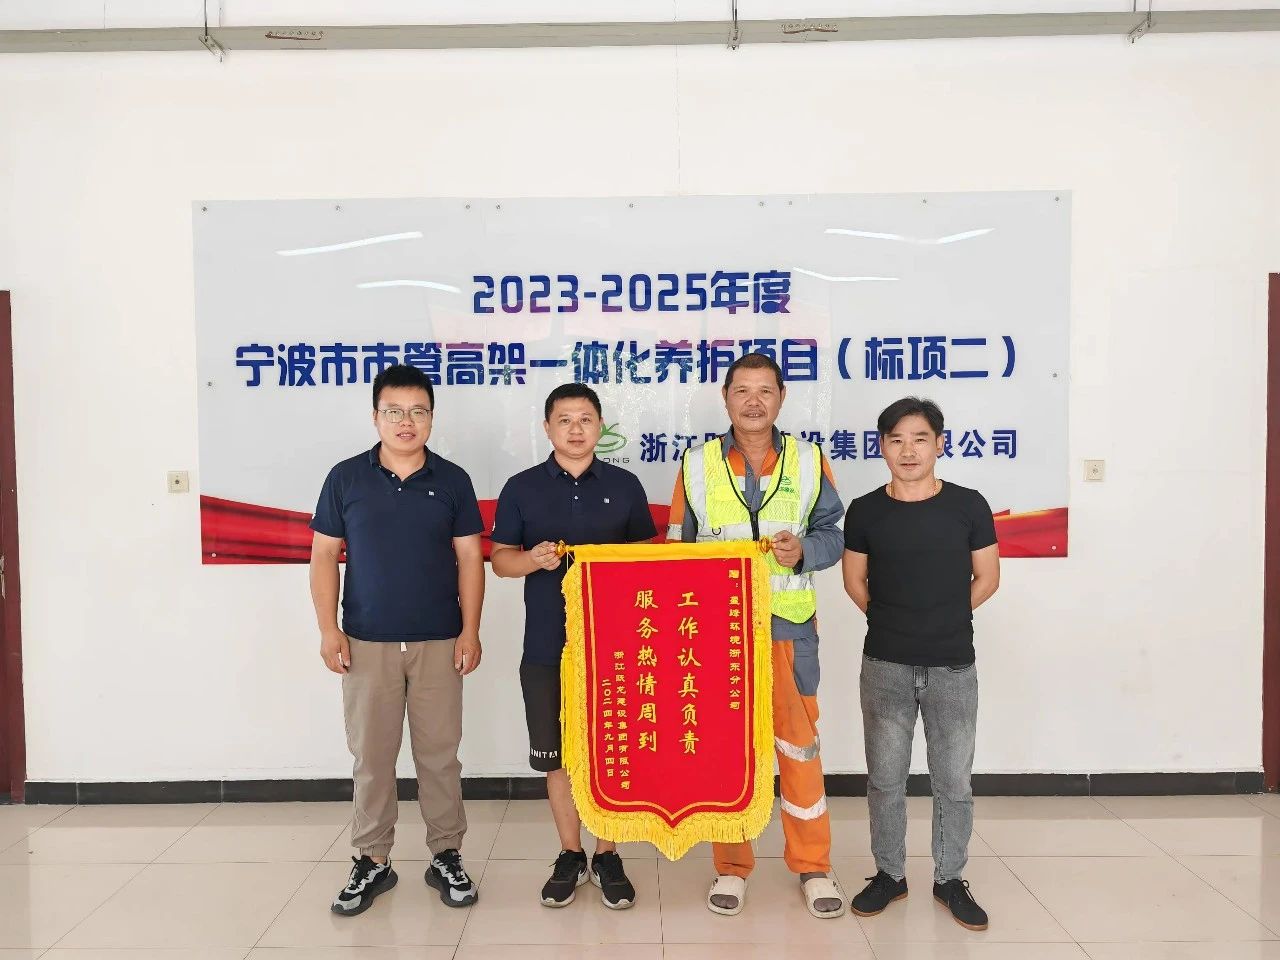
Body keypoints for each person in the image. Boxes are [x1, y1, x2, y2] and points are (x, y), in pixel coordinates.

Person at [667, 352, 846, 920]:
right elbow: (675, 549)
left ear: (781, 398)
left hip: (788, 628)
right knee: (726, 753)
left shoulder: (810, 460)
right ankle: (731, 866)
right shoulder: (695, 464)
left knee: (798, 750)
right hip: (716, 636)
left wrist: (805, 551)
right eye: (742, 390)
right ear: (725, 397)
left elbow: (834, 535)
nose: (753, 401)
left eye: (765, 390)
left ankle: (813, 866)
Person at [310, 364, 485, 916]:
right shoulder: (346, 478)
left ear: (431, 418)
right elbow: (323, 555)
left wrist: (471, 630)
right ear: (375, 417)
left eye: (417, 411)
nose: (406, 421)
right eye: (394, 411)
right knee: (372, 757)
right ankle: (373, 859)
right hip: (366, 641)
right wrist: (329, 628)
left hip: (439, 639)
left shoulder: (452, 480)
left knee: (440, 756)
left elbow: (470, 558)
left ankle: (446, 854)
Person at [491, 383, 657, 910]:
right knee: (557, 754)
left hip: (617, 644)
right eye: (564, 419)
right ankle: (570, 852)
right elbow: (500, 560)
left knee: (612, 749)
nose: (576, 429)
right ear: (547, 428)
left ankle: (607, 853)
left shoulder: (625, 486)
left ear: (601, 427)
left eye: (586, 418)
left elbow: (648, 563)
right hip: (547, 642)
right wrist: (532, 560)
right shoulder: (522, 487)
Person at [842, 397, 1001, 932]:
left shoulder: (968, 505)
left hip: (953, 665)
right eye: (896, 440)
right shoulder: (865, 510)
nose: (907, 450)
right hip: (885, 664)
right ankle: (889, 874)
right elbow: (854, 581)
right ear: (882, 446)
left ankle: (949, 879)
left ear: (939, 444)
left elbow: (988, 578)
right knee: (885, 779)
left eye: (919, 439)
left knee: (953, 780)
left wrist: (943, 618)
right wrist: (894, 620)